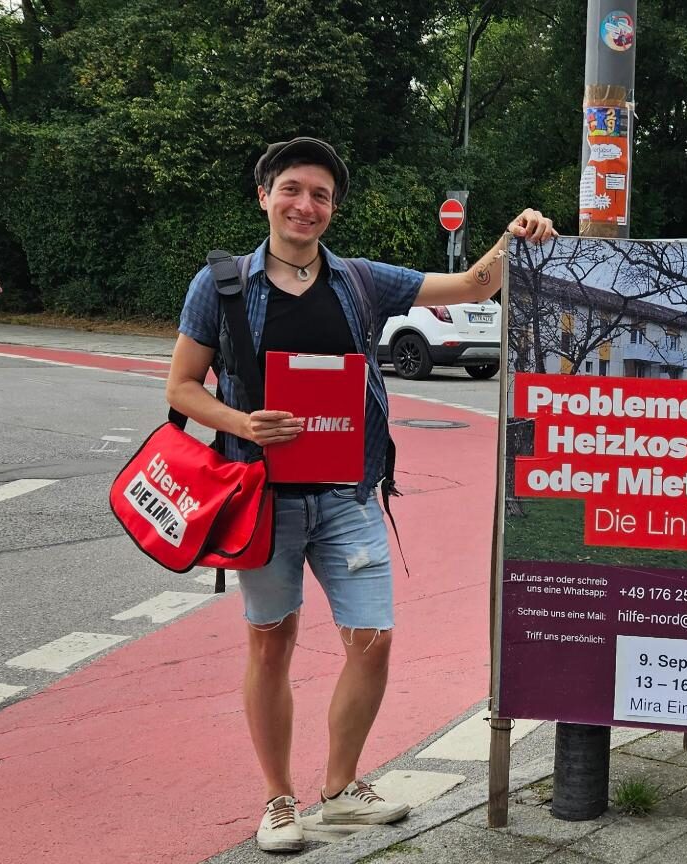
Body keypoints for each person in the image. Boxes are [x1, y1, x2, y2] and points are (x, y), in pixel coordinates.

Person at [165, 137, 556, 854]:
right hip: (265, 498)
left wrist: (511, 236)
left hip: (347, 494)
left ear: (332, 209)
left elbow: (472, 286)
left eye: (319, 195)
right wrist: (241, 421)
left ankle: (341, 789)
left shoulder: (358, 280)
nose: (305, 205)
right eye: (292, 190)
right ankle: (279, 798)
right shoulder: (220, 286)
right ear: (265, 197)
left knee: (372, 641)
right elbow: (181, 388)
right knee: (270, 644)